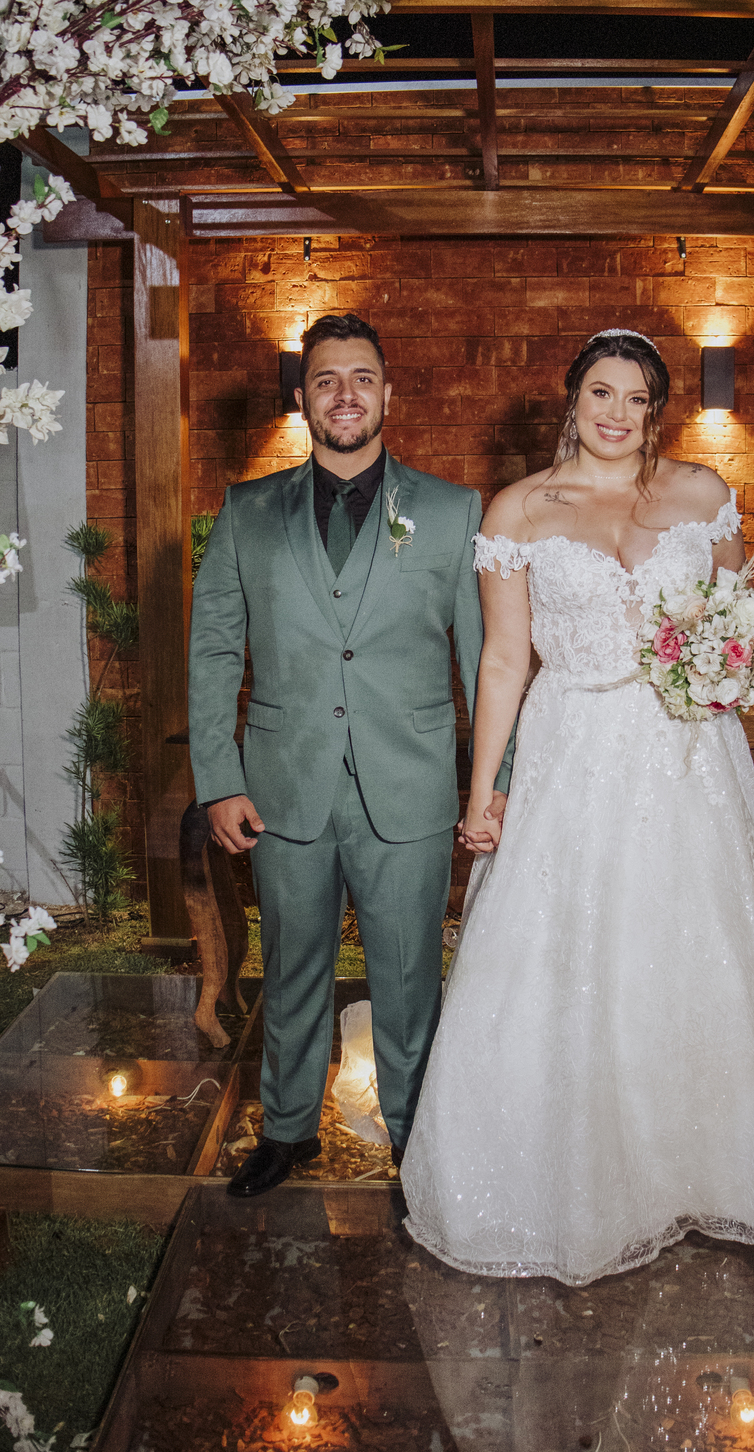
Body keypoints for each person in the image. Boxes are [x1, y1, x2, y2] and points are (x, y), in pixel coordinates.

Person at [401, 328, 754, 1286]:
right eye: (602, 392)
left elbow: (738, 621)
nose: (618, 413)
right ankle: (573, 1182)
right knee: (570, 958)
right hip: (573, 753)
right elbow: (502, 660)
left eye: (637, 398)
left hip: (688, 759)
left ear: (656, 410)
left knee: (692, 954)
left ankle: (698, 1167)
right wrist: (484, 791)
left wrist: (727, 668)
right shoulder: (518, 509)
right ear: (574, 397)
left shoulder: (704, 495)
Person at [188, 312, 511, 1196]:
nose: (345, 394)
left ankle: (415, 1141)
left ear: (387, 393)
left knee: (408, 979)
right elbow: (213, 648)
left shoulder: (452, 511)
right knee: (291, 970)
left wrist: (493, 785)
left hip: (409, 789)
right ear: (302, 397)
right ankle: (287, 1130)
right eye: (326, 379)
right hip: (281, 786)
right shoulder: (247, 511)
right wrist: (218, 779)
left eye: (362, 377)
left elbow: (488, 659)